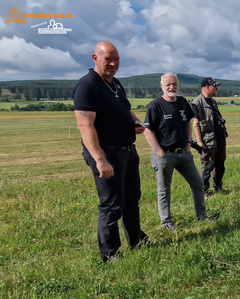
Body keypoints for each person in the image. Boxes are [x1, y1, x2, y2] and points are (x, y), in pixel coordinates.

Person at [73, 41, 148, 262]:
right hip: (106, 152)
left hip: (126, 150)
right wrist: (100, 160)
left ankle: (137, 240)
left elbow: (126, 109)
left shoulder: (115, 84)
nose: (113, 64)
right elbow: (85, 125)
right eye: (108, 59)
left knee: (131, 199)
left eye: (116, 59)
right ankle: (110, 253)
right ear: (95, 58)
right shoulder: (88, 86)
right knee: (111, 203)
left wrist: (135, 122)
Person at [143, 73, 216, 232]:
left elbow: (188, 122)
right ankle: (166, 223)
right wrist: (159, 152)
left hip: (183, 153)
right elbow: (147, 130)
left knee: (197, 184)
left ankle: (201, 215)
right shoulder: (155, 105)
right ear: (161, 86)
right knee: (164, 190)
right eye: (168, 84)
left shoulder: (182, 102)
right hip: (165, 155)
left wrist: (188, 145)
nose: (171, 87)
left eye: (174, 84)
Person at [192, 77, 229, 195]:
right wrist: (199, 142)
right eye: (215, 87)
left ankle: (218, 187)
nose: (217, 89)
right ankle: (203, 191)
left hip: (219, 138)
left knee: (220, 165)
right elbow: (196, 124)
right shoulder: (197, 102)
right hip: (208, 141)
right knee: (207, 166)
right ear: (207, 87)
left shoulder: (213, 101)